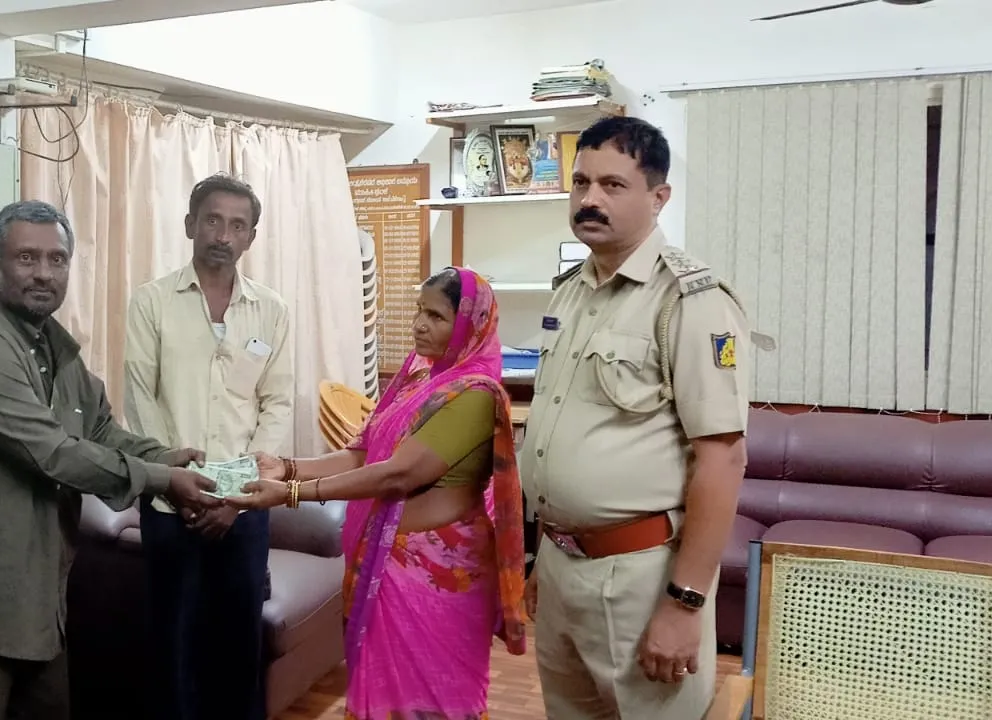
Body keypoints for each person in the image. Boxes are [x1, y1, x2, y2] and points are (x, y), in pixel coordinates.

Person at [0, 200, 222, 720]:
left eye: (57, 259)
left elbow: (100, 430)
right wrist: (163, 479)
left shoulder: (52, 346)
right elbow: (53, 453)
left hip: (42, 604)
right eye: (26, 258)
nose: (44, 273)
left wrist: (167, 457)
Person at [519, 116, 751, 719]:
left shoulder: (689, 301)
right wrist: (544, 556)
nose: (589, 199)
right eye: (581, 182)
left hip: (640, 579)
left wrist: (684, 603)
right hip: (561, 564)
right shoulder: (570, 291)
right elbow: (555, 432)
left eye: (613, 185)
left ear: (658, 197)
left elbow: (723, 459)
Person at [228, 266, 527, 720]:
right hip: (391, 562)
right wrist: (287, 466)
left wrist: (291, 493)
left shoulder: (474, 394)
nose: (420, 324)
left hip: (439, 572)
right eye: (419, 311)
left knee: (434, 700)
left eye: (437, 316)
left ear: (471, 324)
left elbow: (396, 476)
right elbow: (364, 454)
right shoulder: (418, 382)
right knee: (384, 695)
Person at [122, 173, 293, 720]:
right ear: (190, 224)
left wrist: (234, 496)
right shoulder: (152, 302)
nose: (223, 234)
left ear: (251, 237)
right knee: (172, 644)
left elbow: (277, 404)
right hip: (172, 506)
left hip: (243, 508)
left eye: (238, 225)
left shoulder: (271, 310)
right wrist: (182, 487)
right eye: (213, 220)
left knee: (239, 644)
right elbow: (140, 401)